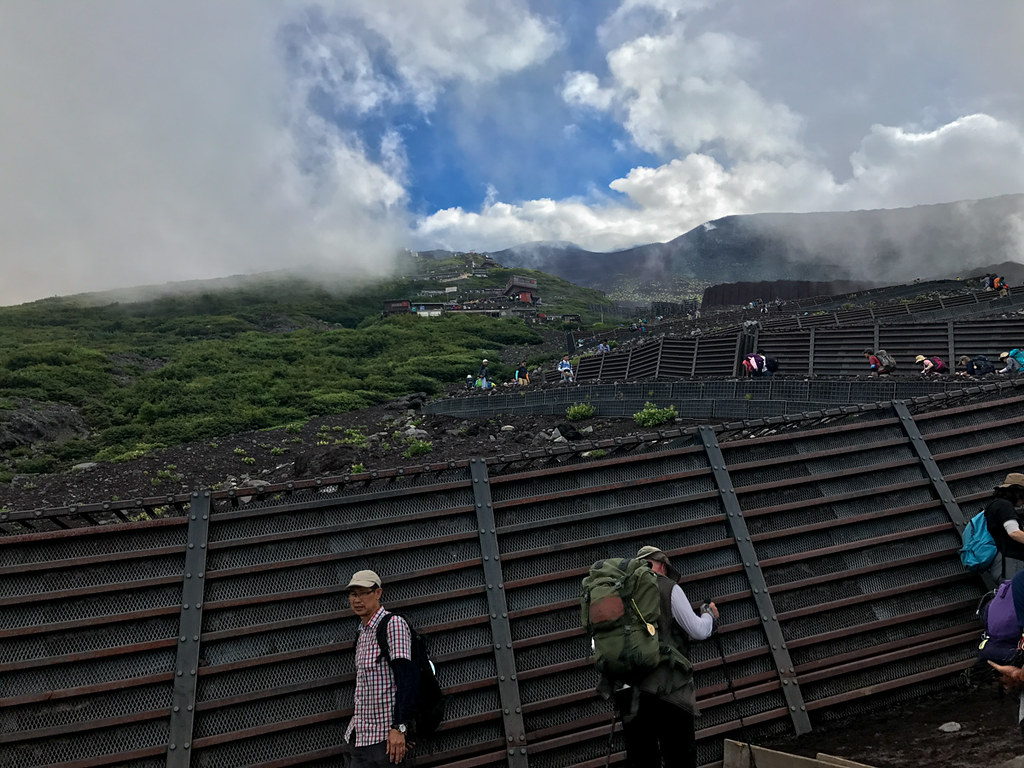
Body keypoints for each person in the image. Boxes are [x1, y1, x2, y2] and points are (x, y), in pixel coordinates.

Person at [612, 545, 719, 768]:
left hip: (630, 691)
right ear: (661, 565)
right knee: (679, 755)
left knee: (641, 758)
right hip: (669, 690)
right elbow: (698, 630)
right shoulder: (668, 588)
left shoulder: (619, 593)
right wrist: (709, 616)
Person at [344, 570, 416, 766]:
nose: (357, 600)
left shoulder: (393, 625)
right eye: (353, 594)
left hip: (386, 740)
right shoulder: (362, 632)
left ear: (378, 593)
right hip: (359, 737)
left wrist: (399, 727)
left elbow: (406, 678)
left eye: (363, 593)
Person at [984, 473, 1024, 579]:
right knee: (1015, 593)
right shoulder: (1003, 506)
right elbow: (1014, 532)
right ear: (1017, 493)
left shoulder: (995, 505)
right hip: (1010, 563)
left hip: (1004, 562)